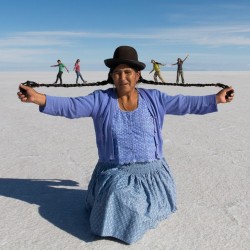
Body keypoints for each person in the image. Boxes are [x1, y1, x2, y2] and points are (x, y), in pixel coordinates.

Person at [17, 46, 234, 244]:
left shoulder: (154, 98)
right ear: (111, 76)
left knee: (137, 209)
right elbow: (71, 106)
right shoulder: (100, 100)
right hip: (115, 172)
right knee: (120, 198)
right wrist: (38, 98)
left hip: (152, 174)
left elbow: (185, 103)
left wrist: (215, 99)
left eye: (128, 72)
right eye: (117, 73)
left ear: (137, 75)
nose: (122, 77)